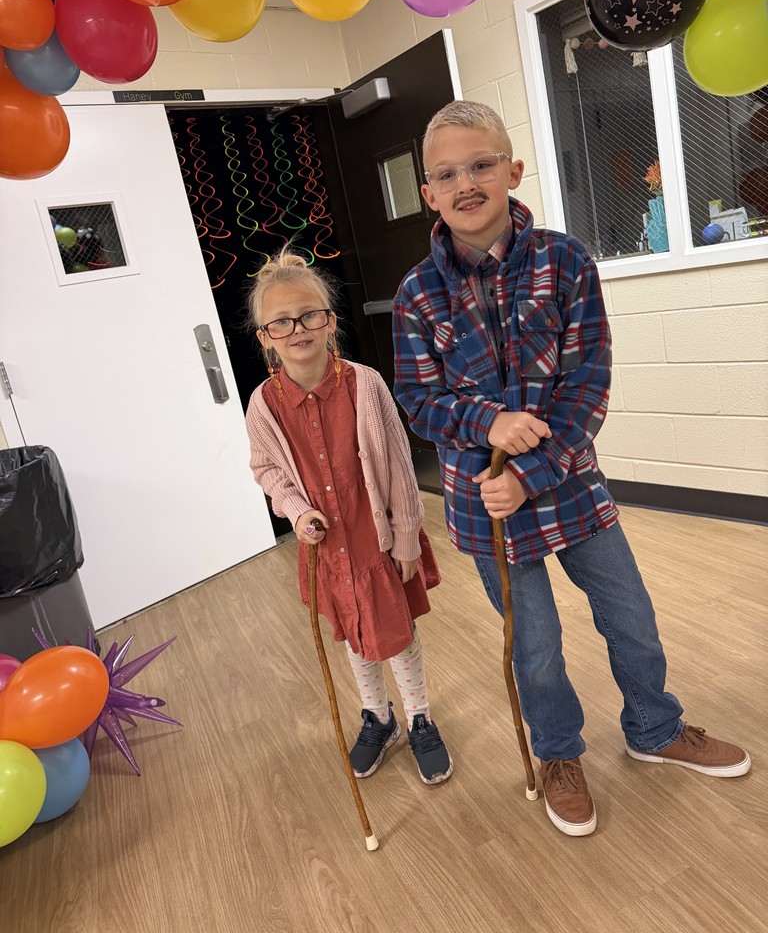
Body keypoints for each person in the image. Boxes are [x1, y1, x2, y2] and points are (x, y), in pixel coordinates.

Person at [392, 100, 750, 836]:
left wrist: (534, 470)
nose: (467, 184)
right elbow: (418, 400)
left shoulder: (566, 262)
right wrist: (483, 423)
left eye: (482, 165)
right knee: (538, 648)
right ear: (428, 194)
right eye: (447, 174)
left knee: (632, 618)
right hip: (484, 506)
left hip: (571, 490)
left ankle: (654, 727)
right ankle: (559, 754)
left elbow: (588, 385)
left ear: (512, 171)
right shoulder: (416, 296)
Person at [245, 248, 453, 786]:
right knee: (355, 637)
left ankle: (419, 717)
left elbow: (402, 469)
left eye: (310, 314)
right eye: (282, 322)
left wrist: (407, 536)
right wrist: (295, 510)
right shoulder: (263, 404)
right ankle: (378, 718)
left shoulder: (366, 385)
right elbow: (268, 470)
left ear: (330, 322)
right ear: (266, 335)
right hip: (328, 550)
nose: (298, 329)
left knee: (396, 632)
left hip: (374, 541)